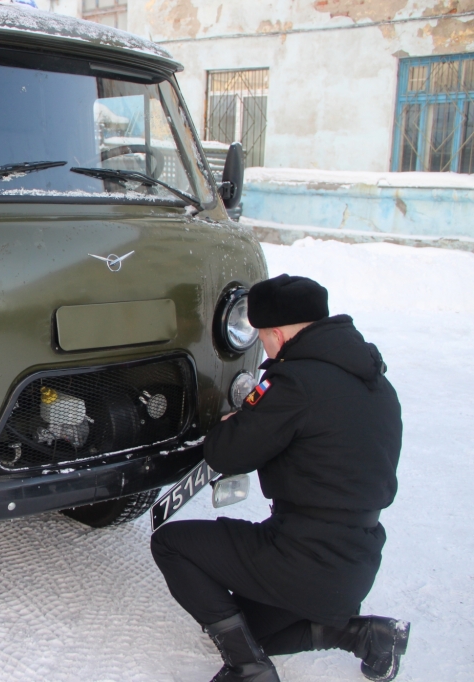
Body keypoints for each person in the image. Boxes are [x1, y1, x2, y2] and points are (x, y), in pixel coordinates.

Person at [151, 274, 409, 682]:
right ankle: (364, 634)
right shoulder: (376, 382)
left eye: (261, 337)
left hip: (301, 556)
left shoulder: (294, 383)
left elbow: (225, 455)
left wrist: (238, 422)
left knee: (171, 545)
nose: (264, 348)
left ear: (275, 333)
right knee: (253, 632)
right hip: (355, 561)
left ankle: (247, 668)